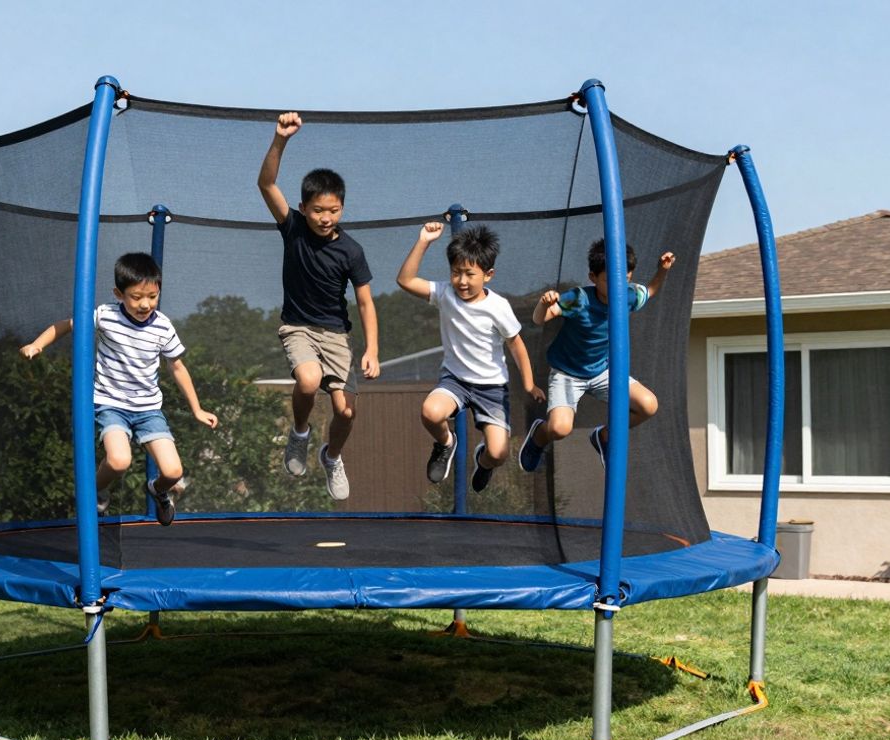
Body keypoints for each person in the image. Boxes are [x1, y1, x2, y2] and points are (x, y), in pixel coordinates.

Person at [20, 252, 218, 525]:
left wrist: (196, 409)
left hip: (148, 409)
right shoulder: (106, 315)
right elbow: (66, 325)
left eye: (152, 296)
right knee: (118, 461)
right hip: (111, 404)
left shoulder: (163, 326)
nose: (145, 304)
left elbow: (177, 367)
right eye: (136, 297)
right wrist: (37, 344)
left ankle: (157, 491)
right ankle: (96, 492)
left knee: (173, 472)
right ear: (119, 293)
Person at [257, 111, 379, 501]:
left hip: (336, 335)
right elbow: (266, 182)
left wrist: (373, 348)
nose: (325, 218)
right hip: (298, 328)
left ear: (342, 207)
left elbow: (364, 300)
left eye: (333, 210)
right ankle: (300, 433)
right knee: (308, 381)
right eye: (317, 210)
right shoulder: (291, 227)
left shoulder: (351, 250)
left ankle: (332, 455)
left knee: (345, 412)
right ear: (303, 207)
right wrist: (281, 139)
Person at [396, 221, 544, 492]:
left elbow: (517, 346)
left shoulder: (498, 307)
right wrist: (424, 242)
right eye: (455, 273)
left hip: (491, 387)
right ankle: (445, 443)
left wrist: (528, 384)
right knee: (430, 412)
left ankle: (483, 462)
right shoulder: (444, 294)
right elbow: (405, 280)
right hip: (455, 380)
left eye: (469, 274)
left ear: (488, 275)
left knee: (498, 453)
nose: (461, 281)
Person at [517, 239, 675, 472]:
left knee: (648, 405)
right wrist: (544, 304)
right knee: (559, 428)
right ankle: (538, 437)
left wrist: (662, 270)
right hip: (568, 373)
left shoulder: (628, 296)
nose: (618, 286)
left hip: (602, 370)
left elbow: (650, 291)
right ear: (593, 277)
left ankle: (604, 437)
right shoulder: (580, 299)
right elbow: (539, 319)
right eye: (609, 280)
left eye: (625, 279)